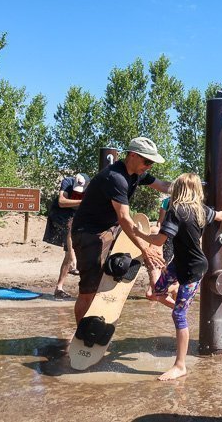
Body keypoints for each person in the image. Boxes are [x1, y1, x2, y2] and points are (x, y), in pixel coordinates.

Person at [134, 173, 222, 381]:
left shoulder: (175, 211)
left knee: (178, 316)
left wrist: (140, 235)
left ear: (177, 189)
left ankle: (180, 365)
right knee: (154, 293)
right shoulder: (201, 210)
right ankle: (183, 307)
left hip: (193, 270)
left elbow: (160, 241)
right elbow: (219, 216)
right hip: (180, 264)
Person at [71, 137, 170, 325]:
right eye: (147, 161)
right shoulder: (116, 178)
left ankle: (150, 285)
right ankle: (82, 334)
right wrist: (145, 250)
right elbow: (124, 218)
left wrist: (191, 189)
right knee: (89, 290)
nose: (149, 166)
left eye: (152, 163)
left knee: (121, 265)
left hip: (110, 228)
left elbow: (163, 186)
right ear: (132, 155)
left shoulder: (137, 173)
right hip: (89, 234)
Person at [42, 173, 90, 299]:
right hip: (59, 213)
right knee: (71, 228)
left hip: (75, 216)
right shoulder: (67, 182)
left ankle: (59, 288)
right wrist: (84, 201)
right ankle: (75, 262)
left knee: (68, 253)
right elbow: (62, 202)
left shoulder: (92, 188)